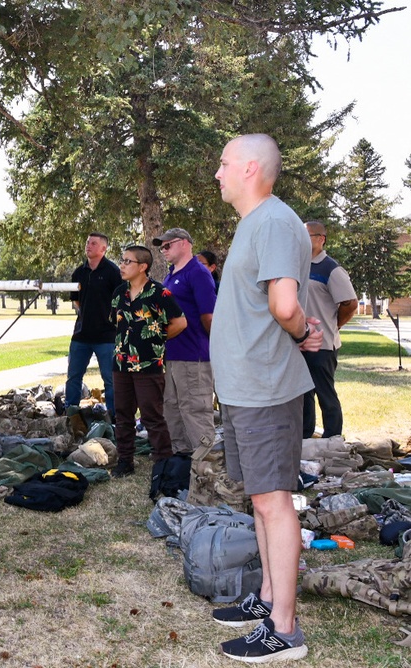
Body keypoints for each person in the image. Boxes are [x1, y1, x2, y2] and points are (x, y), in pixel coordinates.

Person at [210, 133, 323, 662]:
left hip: (266, 388)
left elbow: (284, 304)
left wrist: (302, 333)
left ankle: (285, 630)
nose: (218, 172)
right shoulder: (255, 222)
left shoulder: (276, 222)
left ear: (250, 168)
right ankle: (269, 597)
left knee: (274, 502)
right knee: (260, 498)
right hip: (244, 387)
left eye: (225, 163)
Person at [108, 245, 186, 478]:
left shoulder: (159, 294)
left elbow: (180, 323)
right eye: (121, 260)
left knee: (152, 416)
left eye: (127, 261)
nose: (122, 265)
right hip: (121, 364)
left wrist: (157, 339)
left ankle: (163, 463)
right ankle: (125, 461)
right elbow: (115, 321)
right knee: (122, 415)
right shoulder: (119, 293)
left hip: (148, 365)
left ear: (143, 267)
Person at [153, 229, 217, 455]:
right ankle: (180, 459)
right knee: (172, 407)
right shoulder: (171, 274)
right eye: (161, 247)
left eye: (167, 245)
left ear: (184, 244)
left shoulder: (197, 273)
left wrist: (217, 349)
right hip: (172, 355)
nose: (163, 251)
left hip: (193, 355)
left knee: (195, 409)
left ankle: (206, 462)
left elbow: (208, 316)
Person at [302, 220, 358, 439]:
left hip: (323, 345)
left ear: (321, 239)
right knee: (304, 395)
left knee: (325, 394)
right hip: (301, 343)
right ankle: (306, 438)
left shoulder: (331, 269)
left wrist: (334, 326)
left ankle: (333, 439)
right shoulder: (299, 266)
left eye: (306, 236)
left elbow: (350, 304)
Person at [66, 233, 123, 417]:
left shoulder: (113, 272)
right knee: (74, 377)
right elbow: (77, 302)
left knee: (111, 379)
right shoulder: (78, 272)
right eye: (87, 242)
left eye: (93, 243)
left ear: (103, 249)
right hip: (81, 335)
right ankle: (71, 414)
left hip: (106, 336)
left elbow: (121, 301)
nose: (88, 245)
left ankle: (114, 417)